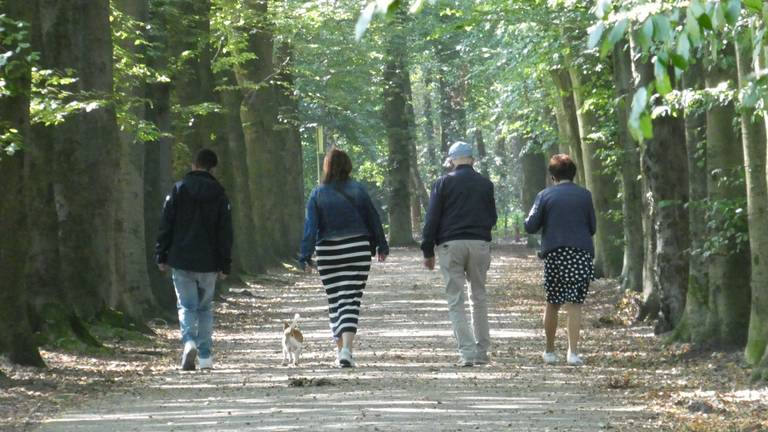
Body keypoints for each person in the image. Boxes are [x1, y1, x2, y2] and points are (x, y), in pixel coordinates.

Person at [298, 148, 389, 368]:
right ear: (348, 166)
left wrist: (305, 255)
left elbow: (311, 227)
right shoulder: (358, 190)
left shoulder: (317, 193)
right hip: (357, 248)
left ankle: (341, 350)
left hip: (328, 251)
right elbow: (373, 218)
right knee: (351, 299)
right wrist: (381, 245)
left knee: (335, 300)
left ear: (327, 167)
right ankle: (346, 350)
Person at [421, 141, 497, 367]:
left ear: (452, 161)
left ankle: (467, 353)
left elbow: (432, 217)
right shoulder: (485, 184)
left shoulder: (442, 183)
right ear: (472, 160)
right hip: (479, 244)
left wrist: (428, 249)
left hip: (450, 245)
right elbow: (492, 217)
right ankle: (483, 352)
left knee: (456, 300)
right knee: (479, 297)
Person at [156, 148, 233, 371]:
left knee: (186, 306)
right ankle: (206, 356)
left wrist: (161, 254)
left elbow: (166, 224)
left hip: (181, 259)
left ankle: (188, 342)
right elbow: (225, 232)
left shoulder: (178, 189)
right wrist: (225, 262)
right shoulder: (220, 194)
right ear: (213, 168)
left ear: (193, 165)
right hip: (209, 262)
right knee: (205, 308)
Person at [524, 154, 596, 367]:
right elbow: (592, 227)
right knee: (574, 304)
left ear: (552, 175)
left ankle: (549, 350)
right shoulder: (585, 195)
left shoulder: (544, 196)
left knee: (553, 302)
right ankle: (573, 353)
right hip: (580, 254)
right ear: (573, 174)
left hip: (555, 253)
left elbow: (530, 226)